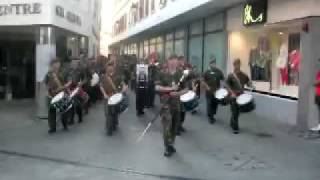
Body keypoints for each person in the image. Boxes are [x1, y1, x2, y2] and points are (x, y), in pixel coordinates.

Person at [155, 56, 188, 157]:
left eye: (175, 62)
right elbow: (157, 87)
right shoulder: (162, 74)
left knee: (174, 126)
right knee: (167, 125)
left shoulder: (181, 74)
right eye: (171, 62)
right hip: (165, 104)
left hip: (176, 104)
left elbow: (186, 89)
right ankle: (167, 146)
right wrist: (170, 89)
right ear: (168, 62)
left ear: (177, 63)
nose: (173, 64)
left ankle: (171, 144)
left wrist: (177, 94)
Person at [44, 58, 72, 134]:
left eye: (57, 63)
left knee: (64, 110)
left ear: (59, 64)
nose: (56, 65)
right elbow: (46, 84)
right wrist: (47, 92)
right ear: (52, 65)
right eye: (54, 63)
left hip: (62, 93)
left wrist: (66, 85)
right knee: (52, 111)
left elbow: (69, 81)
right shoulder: (49, 74)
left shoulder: (63, 72)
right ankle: (52, 127)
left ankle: (65, 124)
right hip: (52, 94)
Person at [100, 63, 128, 136]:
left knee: (115, 111)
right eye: (108, 68)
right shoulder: (104, 77)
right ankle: (109, 127)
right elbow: (101, 86)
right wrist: (104, 94)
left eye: (111, 68)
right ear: (106, 69)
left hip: (116, 97)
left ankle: (115, 122)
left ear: (113, 68)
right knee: (107, 113)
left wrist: (124, 88)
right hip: (107, 97)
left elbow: (123, 84)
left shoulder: (117, 77)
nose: (109, 69)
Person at [226, 59, 252, 134]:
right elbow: (227, 85)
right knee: (235, 112)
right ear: (233, 65)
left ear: (240, 65)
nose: (237, 66)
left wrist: (251, 84)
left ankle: (232, 121)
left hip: (241, 96)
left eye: (238, 64)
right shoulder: (231, 75)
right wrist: (231, 93)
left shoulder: (244, 75)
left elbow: (248, 84)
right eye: (235, 64)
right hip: (233, 96)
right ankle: (235, 128)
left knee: (238, 112)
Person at [202, 58, 225, 124]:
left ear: (215, 64)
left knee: (215, 104)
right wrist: (207, 87)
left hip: (216, 91)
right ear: (210, 64)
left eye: (214, 63)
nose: (213, 64)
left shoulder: (219, 71)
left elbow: (223, 80)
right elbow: (203, 81)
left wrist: (222, 87)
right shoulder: (207, 72)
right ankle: (210, 117)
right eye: (212, 63)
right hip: (209, 91)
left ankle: (212, 115)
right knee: (209, 103)